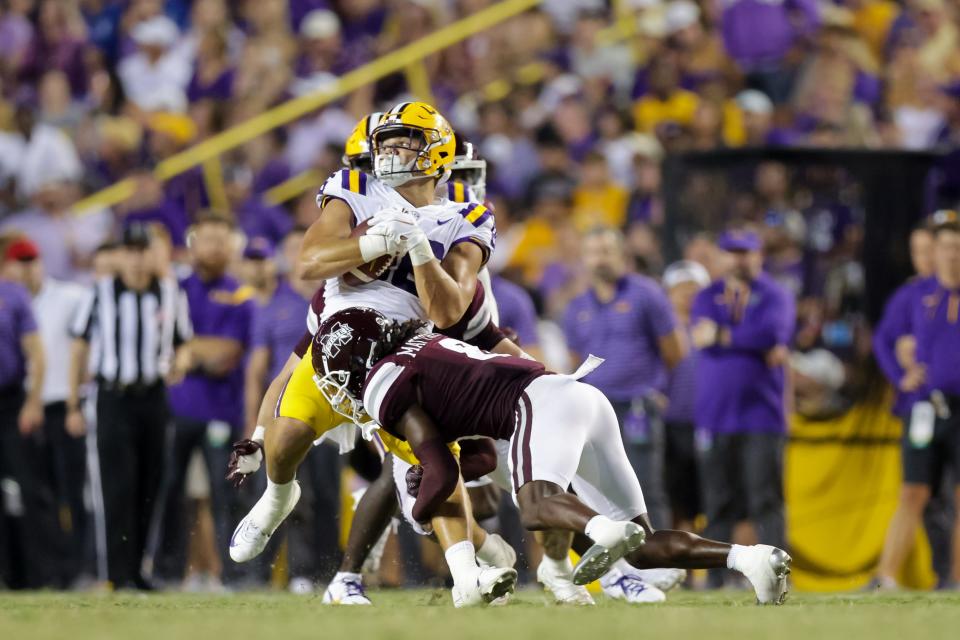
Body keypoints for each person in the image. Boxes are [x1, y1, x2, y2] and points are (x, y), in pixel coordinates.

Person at [230, 101, 517, 607]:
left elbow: (452, 313)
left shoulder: (464, 215)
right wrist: (373, 244)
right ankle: (278, 496)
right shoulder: (356, 189)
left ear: (437, 151)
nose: (389, 149)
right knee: (286, 439)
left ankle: (468, 574)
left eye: (403, 139)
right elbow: (310, 262)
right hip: (339, 345)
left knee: (437, 461)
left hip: (404, 349)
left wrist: (420, 251)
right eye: (384, 141)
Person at [315, 306, 794, 604]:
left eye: (336, 374)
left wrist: (417, 508)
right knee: (645, 549)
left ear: (358, 362)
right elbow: (476, 455)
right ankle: (751, 560)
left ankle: (604, 532)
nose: (337, 387)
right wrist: (444, 469)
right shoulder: (424, 342)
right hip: (580, 394)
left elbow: (439, 471)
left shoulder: (382, 383)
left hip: (538, 403)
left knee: (537, 507)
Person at [67, 223, 191, 590]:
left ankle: (138, 571)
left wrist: (180, 364)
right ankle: (115, 574)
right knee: (115, 487)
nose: (137, 259)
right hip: (112, 397)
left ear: (153, 254)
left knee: (150, 484)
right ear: (121, 255)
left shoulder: (169, 293)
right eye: (131, 251)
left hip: (153, 397)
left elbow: (183, 341)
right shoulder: (99, 293)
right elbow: (79, 349)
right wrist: (75, 403)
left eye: (143, 251)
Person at [151, 213, 256, 587]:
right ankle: (164, 573)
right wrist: (194, 351)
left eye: (219, 240)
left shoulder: (240, 295)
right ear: (193, 243)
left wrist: (187, 350)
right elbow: (159, 347)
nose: (211, 247)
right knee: (168, 493)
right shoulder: (173, 289)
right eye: (205, 238)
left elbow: (227, 355)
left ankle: (235, 575)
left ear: (230, 248)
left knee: (225, 495)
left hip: (221, 411)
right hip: (174, 410)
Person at [690, 229, 796, 588]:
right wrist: (750, 342)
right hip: (714, 415)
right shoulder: (706, 296)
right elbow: (700, 333)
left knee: (765, 500)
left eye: (746, 252)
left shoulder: (775, 294)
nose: (739, 259)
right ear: (720, 258)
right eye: (732, 252)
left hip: (761, 415)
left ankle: (775, 576)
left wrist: (723, 336)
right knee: (718, 504)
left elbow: (773, 334)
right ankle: (718, 581)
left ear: (759, 256)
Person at [563, 226, 686, 531]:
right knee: (599, 490)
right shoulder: (576, 307)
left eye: (607, 252)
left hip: (637, 406)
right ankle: (621, 569)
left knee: (645, 487)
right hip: (595, 411)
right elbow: (574, 362)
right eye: (593, 253)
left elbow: (676, 351)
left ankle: (661, 562)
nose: (600, 260)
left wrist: (659, 389)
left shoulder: (646, 294)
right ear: (584, 260)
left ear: (622, 256)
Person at [875, 213, 960, 589]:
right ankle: (886, 577)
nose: (950, 255)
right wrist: (901, 375)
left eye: (956, 248)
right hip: (924, 405)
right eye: (945, 247)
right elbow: (886, 340)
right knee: (913, 490)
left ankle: (954, 578)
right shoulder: (916, 294)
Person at [11, 237, 90, 587]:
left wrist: (80, 399)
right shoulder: (9, 301)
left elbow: (88, 348)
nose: (28, 267)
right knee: (36, 493)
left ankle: (78, 569)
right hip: (24, 408)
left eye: (33, 260)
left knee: (72, 493)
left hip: (62, 406)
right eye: (20, 261)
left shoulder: (71, 297)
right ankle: (46, 572)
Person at [0, 235, 46, 589]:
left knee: (27, 488)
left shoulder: (13, 294)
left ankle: (31, 575)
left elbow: (37, 354)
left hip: (10, 400)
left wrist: (31, 402)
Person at [662, 260, 712, 534]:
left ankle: (711, 569)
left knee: (710, 499)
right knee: (675, 500)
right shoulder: (661, 330)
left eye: (693, 288)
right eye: (681, 288)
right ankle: (680, 566)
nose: (687, 294)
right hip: (671, 422)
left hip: (710, 421)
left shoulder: (714, 326)